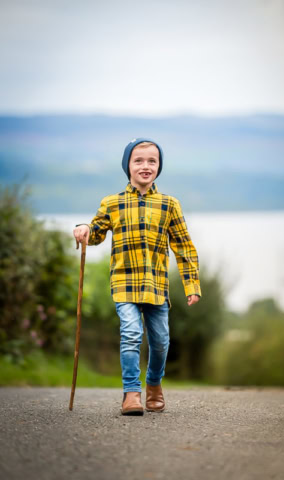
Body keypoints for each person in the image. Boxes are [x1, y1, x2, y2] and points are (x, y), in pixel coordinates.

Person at [73, 138, 201, 416]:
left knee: (160, 342)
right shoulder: (112, 203)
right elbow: (95, 234)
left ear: (159, 166)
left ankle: (154, 385)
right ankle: (131, 393)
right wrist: (83, 228)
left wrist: (192, 284)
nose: (145, 166)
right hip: (124, 282)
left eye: (152, 161)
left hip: (157, 286)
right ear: (127, 166)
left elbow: (184, 246)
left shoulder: (169, 205)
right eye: (138, 161)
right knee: (131, 334)